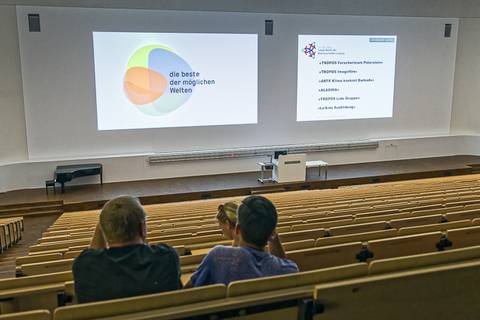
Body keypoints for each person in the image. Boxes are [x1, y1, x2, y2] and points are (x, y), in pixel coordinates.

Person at [72, 196, 181, 303]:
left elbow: (93, 256)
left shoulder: (84, 265)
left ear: (104, 231)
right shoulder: (167, 257)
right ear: (142, 228)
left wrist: (103, 225)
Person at [187, 195, 298, 287]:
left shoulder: (218, 257)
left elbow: (187, 291)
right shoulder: (290, 270)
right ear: (272, 234)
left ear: (238, 229)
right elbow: (282, 268)